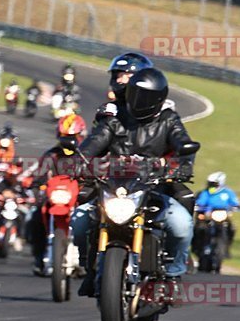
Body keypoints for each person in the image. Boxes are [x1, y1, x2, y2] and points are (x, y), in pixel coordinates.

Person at [71, 67, 198, 297]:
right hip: (114, 188)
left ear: (158, 98)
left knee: (181, 225)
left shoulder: (169, 120)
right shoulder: (115, 118)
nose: (138, 101)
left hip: (154, 188)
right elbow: (95, 141)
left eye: (145, 97)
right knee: (79, 220)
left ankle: (172, 275)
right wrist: (80, 160)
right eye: (135, 94)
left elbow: (182, 141)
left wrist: (184, 162)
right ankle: (89, 267)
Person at [28, 114, 86, 275]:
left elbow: (98, 171)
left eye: (71, 137)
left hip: (81, 197)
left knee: (96, 218)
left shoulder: (87, 154)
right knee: (36, 217)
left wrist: (91, 184)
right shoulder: (51, 155)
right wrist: (36, 183)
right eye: (64, 137)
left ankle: (89, 260)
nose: (67, 141)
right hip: (56, 197)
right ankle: (39, 257)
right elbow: (41, 173)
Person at [193, 172, 240, 255]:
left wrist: (237, 206)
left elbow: (234, 202)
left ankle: (227, 247)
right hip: (209, 215)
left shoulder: (227, 192)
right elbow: (201, 201)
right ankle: (197, 247)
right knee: (199, 228)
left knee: (232, 228)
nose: (212, 185)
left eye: (214, 183)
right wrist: (198, 206)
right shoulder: (206, 192)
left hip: (223, 214)